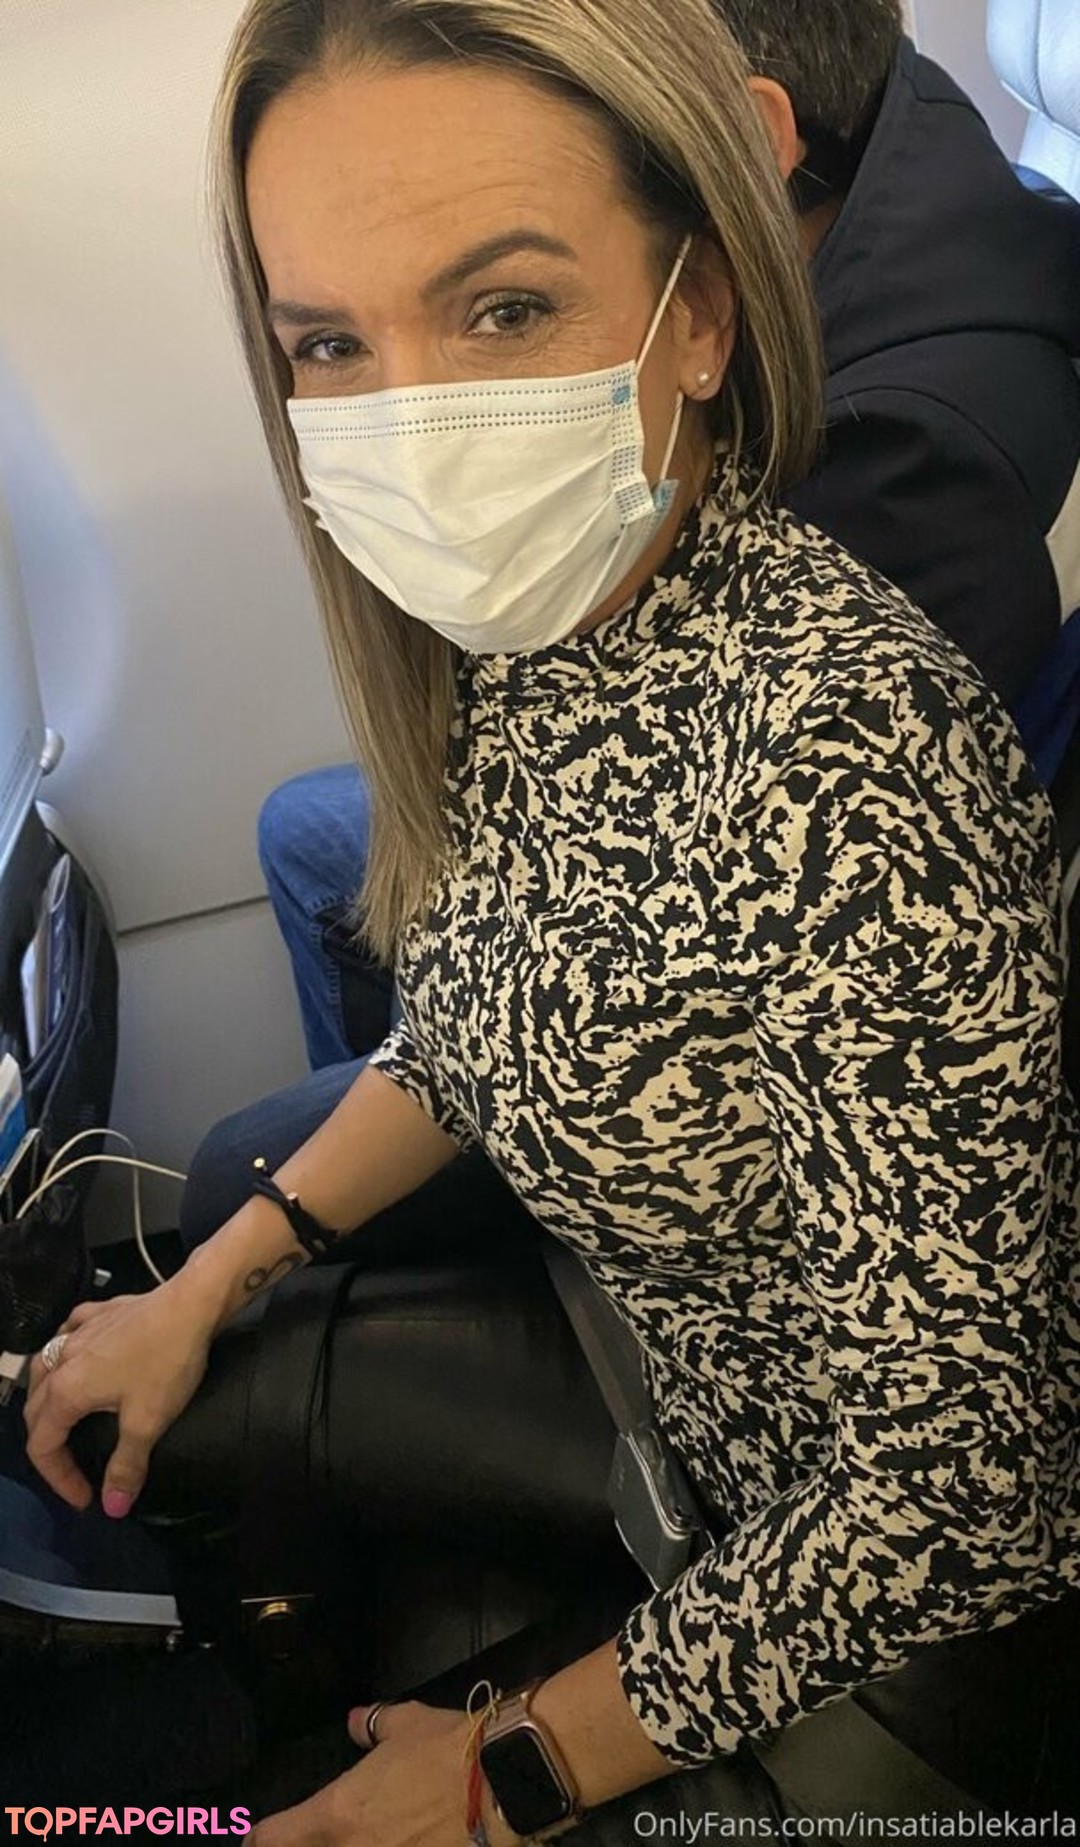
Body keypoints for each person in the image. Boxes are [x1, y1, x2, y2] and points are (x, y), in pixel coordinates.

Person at [24, 0, 1080, 1837]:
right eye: (330, 342)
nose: (414, 418)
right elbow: (495, 1011)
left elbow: (974, 1500)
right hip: (677, 1405)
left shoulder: (847, 761)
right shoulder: (535, 634)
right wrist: (218, 1271)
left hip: (901, 1641)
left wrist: (508, 1768)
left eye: (505, 310)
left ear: (699, 312)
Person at [251, 0, 1080, 1079]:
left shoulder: (891, 469)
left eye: (509, 311)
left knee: (251, 1092)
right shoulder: (902, 144)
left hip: (694, 994)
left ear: (749, 141)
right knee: (303, 829)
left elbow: (746, 907)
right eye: (328, 342)